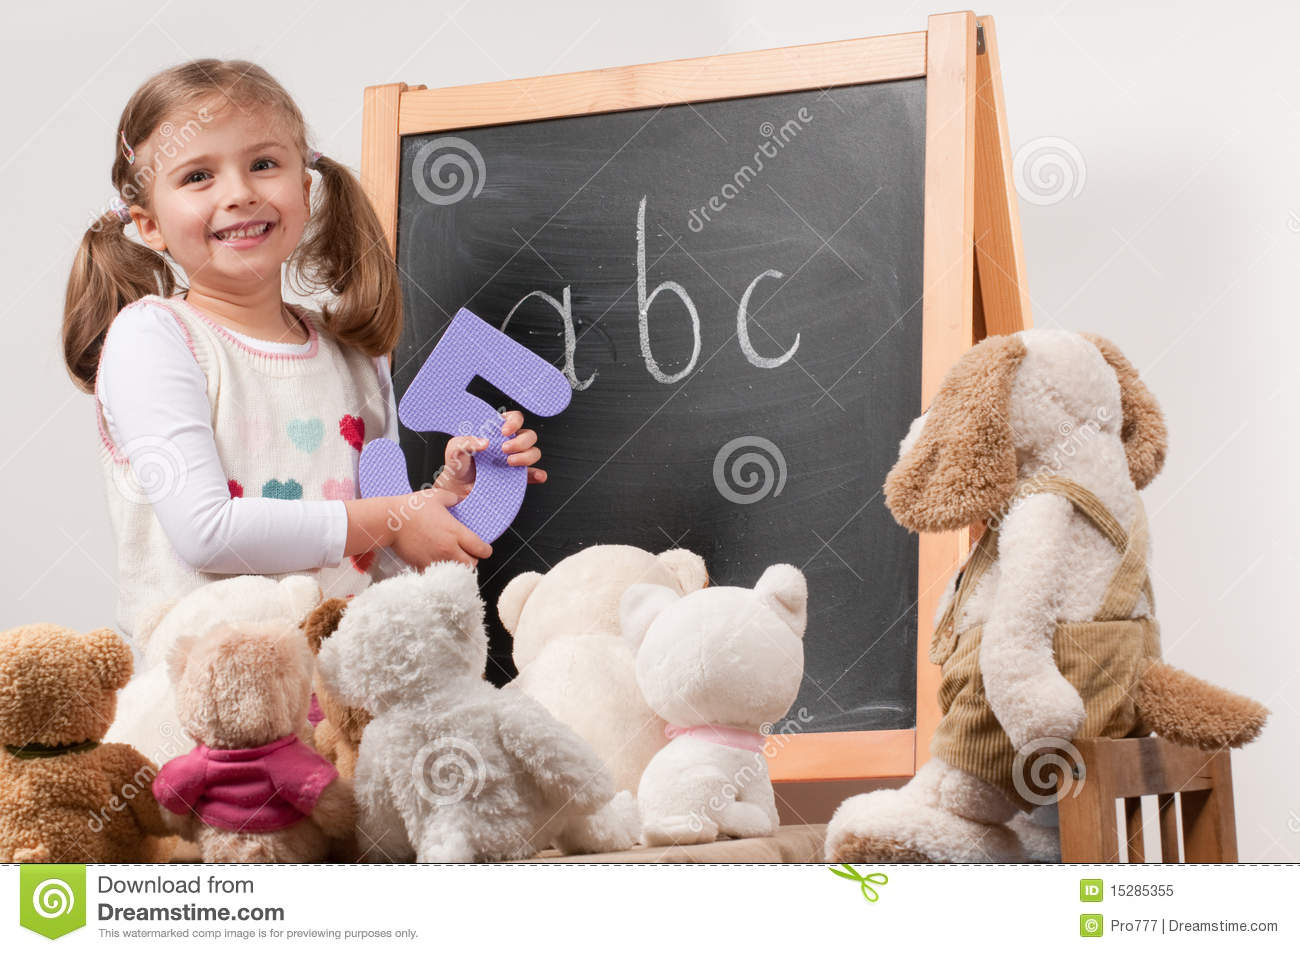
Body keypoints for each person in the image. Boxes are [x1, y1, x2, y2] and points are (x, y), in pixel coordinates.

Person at [62, 59, 545, 642]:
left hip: (337, 690)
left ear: (306, 188)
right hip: (209, 696)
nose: (239, 194)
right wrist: (393, 523)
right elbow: (206, 533)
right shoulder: (156, 337)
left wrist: (444, 498)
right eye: (197, 177)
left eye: (263, 164)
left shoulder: (352, 357)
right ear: (150, 224)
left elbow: (363, 558)